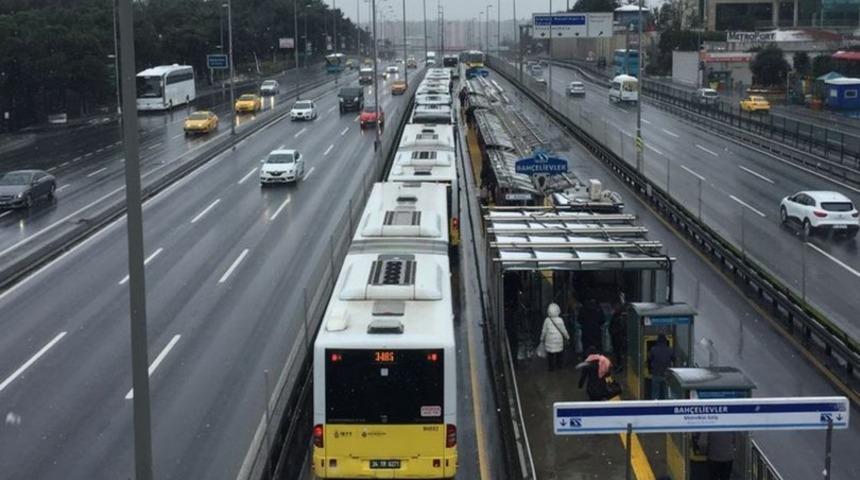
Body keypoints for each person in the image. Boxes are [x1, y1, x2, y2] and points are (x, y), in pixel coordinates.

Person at [539, 303, 570, 371]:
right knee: (559, 353)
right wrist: (567, 337)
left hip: (549, 340)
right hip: (559, 340)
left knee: (550, 355)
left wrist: (542, 338)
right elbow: (563, 330)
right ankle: (559, 366)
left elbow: (544, 331)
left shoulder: (547, 320)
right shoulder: (560, 320)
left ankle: (551, 367)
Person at [647, 334, 675, 400]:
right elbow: (674, 359)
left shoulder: (653, 349)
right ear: (665, 341)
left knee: (655, 393)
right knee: (666, 393)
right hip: (666, 375)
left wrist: (650, 369)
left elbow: (649, 360)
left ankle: (655, 404)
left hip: (656, 373)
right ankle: (666, 405)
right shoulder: (669, 350)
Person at [609, 303, 627, 372]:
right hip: (618, 337)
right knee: (618, 353)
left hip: (617, 338)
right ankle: (618, 366)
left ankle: (618, 366)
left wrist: (613, 332)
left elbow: (620, 328)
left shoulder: (617, 318)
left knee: (618, 353)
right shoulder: (620, 317)